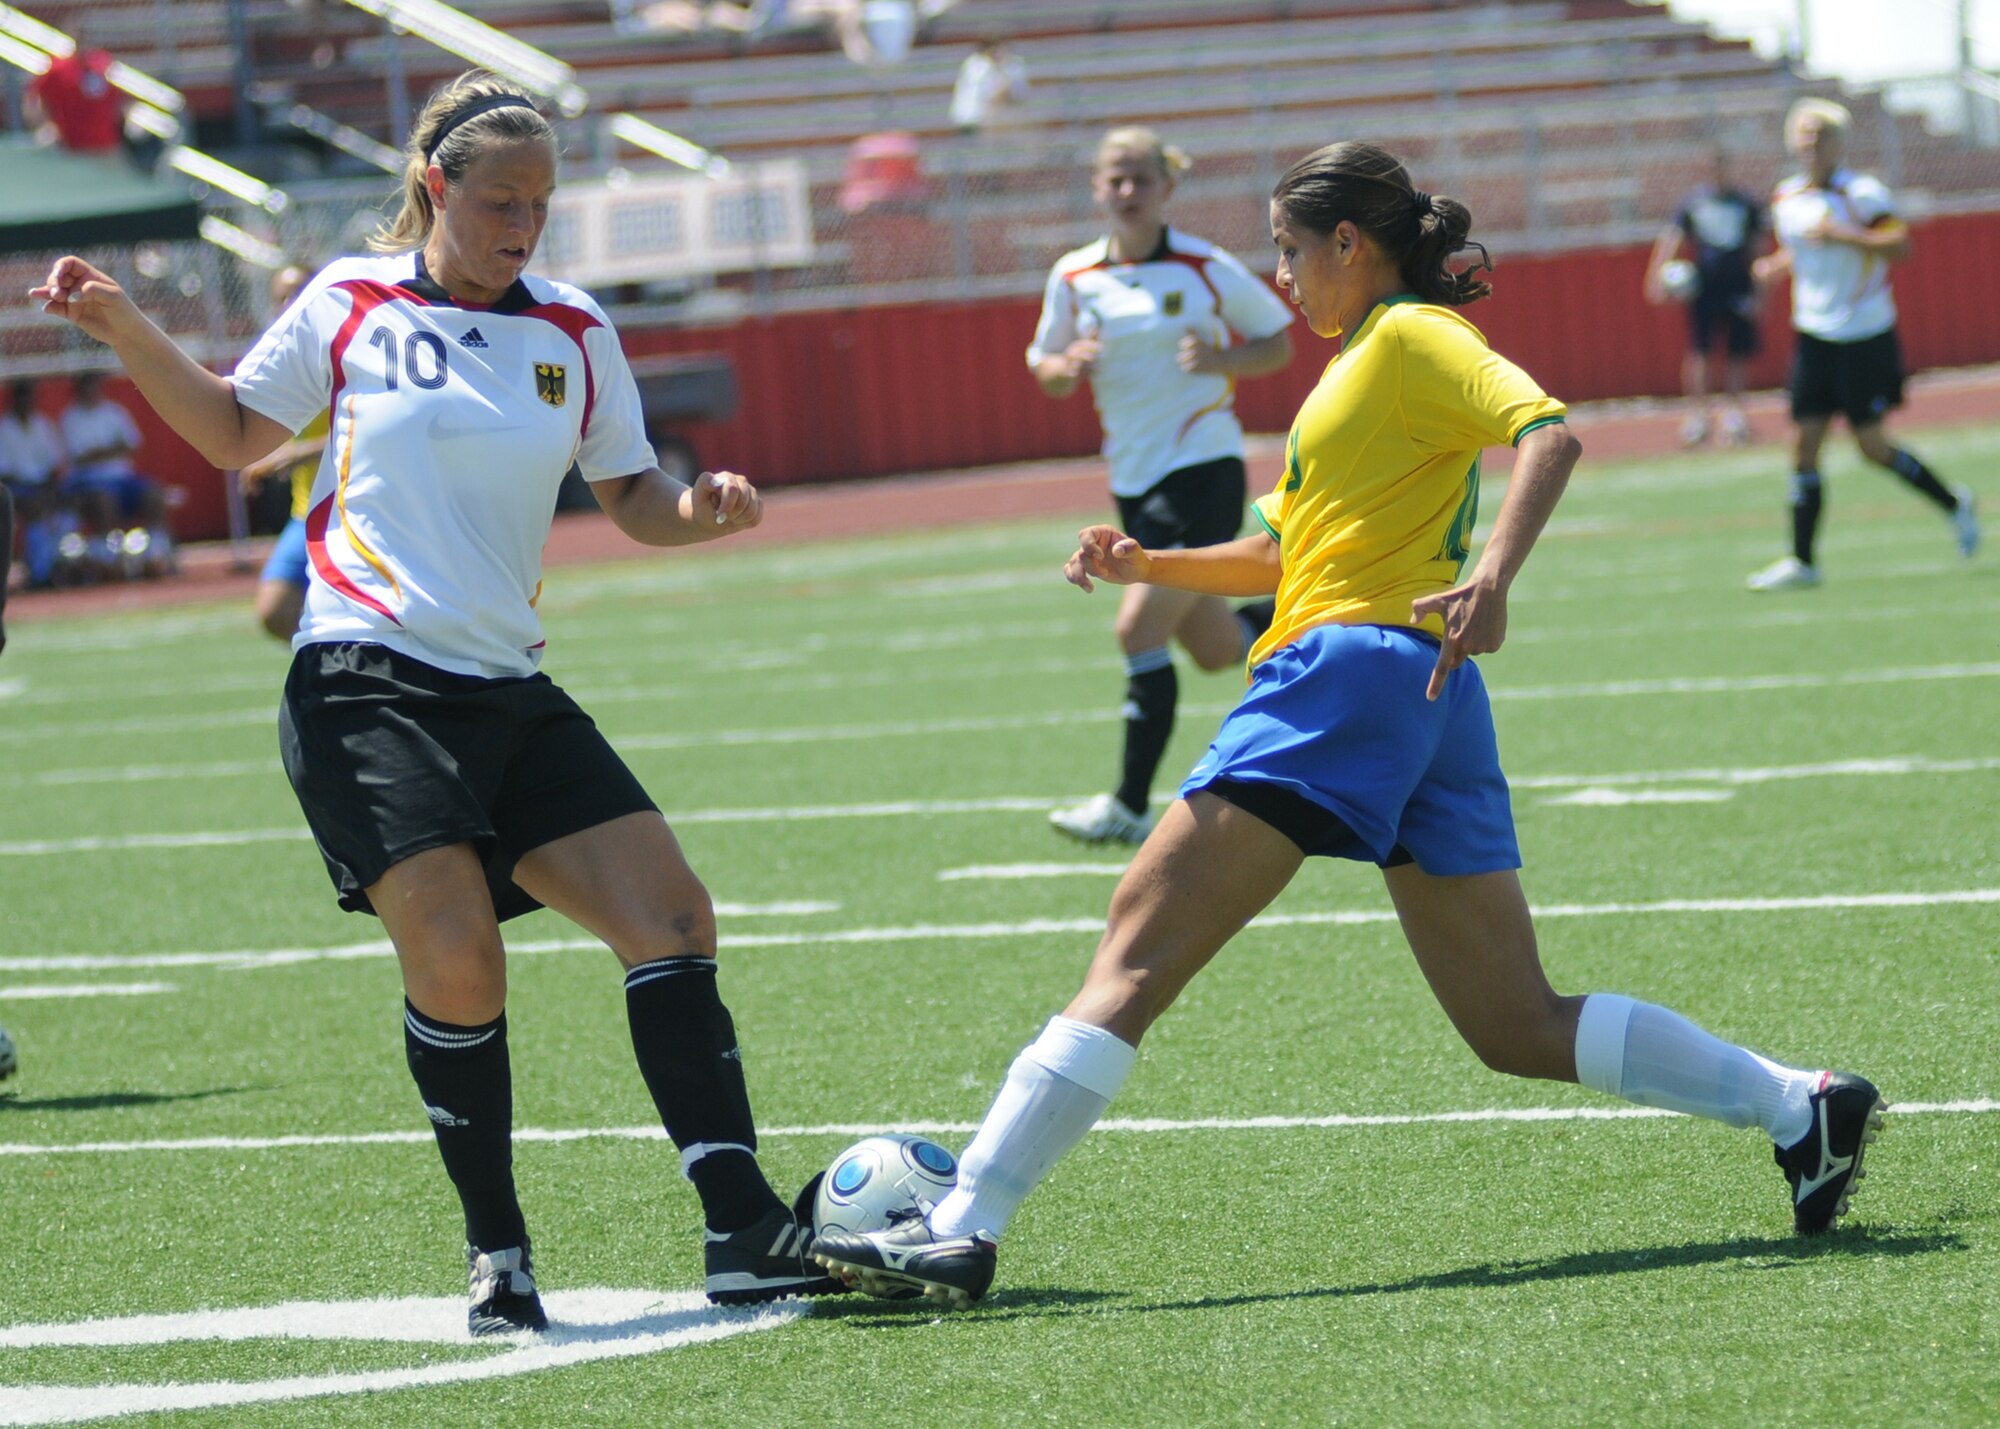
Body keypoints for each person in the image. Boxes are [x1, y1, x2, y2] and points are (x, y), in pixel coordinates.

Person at [813, 140, 1887, 1308]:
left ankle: (960, 1223)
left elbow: (1546, 432)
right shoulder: (1358, 363)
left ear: (1348, 243)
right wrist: (1147, 557)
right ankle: (1801, 1104)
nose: (1278, 276)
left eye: (1287, 250)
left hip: (1342, 675)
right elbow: (1277, 550)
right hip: (1421, 690)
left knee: (1135, 942)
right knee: (1514, 1022)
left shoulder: (1415, 335)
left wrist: (1494, 575)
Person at [32, 70, 843, 1333]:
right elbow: (240, 436)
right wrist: (133, 331)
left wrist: (702, 511)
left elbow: (629, 495)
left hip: (507, 687)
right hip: (363, 682)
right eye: (502, 199)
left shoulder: (573, 328)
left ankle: (741, 1225)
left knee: (673, 915)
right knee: (461, 963)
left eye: (543, 203)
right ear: (433, 188)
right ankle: (500, 1254)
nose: (525, 223)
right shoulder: (348, 303)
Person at [1032, 126, 1296, 845]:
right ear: (1096, 187)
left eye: (1140, 179)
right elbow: (1044, 366)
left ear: (1166, 188)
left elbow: (1278, 341)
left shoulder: (1203, 266)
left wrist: (1220, 358)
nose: (1126, 191)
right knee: (1214, 649)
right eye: (1114, 178)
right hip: (1134, 476)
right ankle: (1314, 605)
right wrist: (1068, 366)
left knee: (1137, 626)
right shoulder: (1074, 276)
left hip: (1202, 466)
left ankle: (1126, 804)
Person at [1746, 98, 1978, 591]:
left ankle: (1954, 503)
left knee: (1871, 446)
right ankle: (1803, 561)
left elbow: (1900, 245)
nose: (1809, 145)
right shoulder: (1786, 196)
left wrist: (1843, 234)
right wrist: (1776, 267)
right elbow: (1804, 247)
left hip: (1863, 334)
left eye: (1819, 136)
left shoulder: (1862, 193)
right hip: (1813, 334)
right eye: (1802, 136)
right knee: (1803, 445)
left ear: (1837, 142)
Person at [1644, 146, 1763, 447]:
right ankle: (1697, 416)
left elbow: (1756, 248)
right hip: (1705, 287)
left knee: (1737, 352)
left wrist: (1758, 289)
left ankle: (1734, 415)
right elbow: (1673, 238)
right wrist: (1657, 275)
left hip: (1737, 285)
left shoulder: (1746, 204)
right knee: (1700, 350)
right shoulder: (1695, 203)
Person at [237, 264, 328, 640]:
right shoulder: (280, 358)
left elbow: (371, 426)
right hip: (305, 512)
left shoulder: (345, 351)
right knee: (274, 612)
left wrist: (294, 455)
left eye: (299, 292)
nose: (290, 304)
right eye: (281, 297)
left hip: (356, 511)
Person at [59, 370, 175, 576]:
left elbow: (132, 446)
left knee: (153, 493)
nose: (93, 390)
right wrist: (113, 449)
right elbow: (81, 458)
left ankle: (156, 554)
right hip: (89, 481)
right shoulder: (71, 417)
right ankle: (109, 558)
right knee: (105, 500)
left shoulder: (114, 411)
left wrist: (100, 451)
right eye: (88, 386)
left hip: (123, 479)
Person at [0, 378, 68, 590]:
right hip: (14, 489)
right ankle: (39, 572)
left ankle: (63, 565)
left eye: (29, 396)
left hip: (41, 487)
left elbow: (52, 466)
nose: (26, 401)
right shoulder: (4, 428)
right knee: (35, 508)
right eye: (22, 396)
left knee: (71, 504)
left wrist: (48, 490)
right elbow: (5, 474)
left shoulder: (43, 425)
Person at [950, 35, 1028, 136]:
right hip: (973, 121)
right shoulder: (975, 65)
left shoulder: (1011, 64)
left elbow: (1020, 96)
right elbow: (993, 97)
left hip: (992, 119)